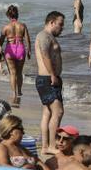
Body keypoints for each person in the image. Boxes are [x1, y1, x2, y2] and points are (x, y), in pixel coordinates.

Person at [35, 11, 66, 152]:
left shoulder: (48, 36)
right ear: (51, 22)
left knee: (47, 112)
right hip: (48, 79)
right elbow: (45, 55)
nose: (62, 27)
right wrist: (53, 75)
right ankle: (52, 146)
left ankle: (45, 146)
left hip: (48, 78)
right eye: (60, 24)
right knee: (58, 111)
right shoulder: (43, 36)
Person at [1, 4, 32, 107]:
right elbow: (27, 39)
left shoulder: (6, 27)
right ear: (17, 14)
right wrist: (29, 51)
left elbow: (0, 41)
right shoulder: (23, 26)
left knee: (12, 73)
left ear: (8, 16)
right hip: (20, 49)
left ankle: (14, 93)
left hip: (10, 49)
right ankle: (19, 91)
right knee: (19, 73)